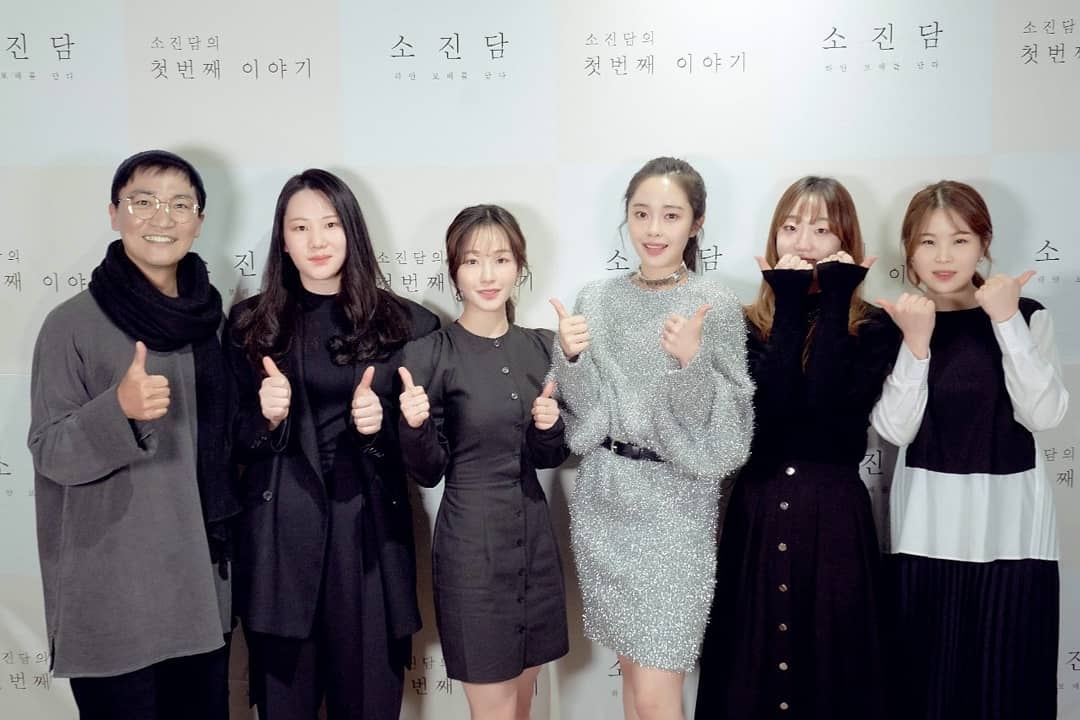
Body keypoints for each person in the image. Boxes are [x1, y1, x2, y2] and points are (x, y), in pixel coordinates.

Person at [27, 149, 237, 719]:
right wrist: (117, 410)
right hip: (114, 594)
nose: (161, 218)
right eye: (143, 201)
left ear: (199, 220)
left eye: (179, 204)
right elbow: (50, 450)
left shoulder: (211, 322)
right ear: (114, 212)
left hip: (199, 588)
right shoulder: (71, 323)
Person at [225, 168, 439, 719]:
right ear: (283, 239)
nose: (316, 241)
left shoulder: (407, 324)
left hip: (368, 540)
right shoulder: (250, 325)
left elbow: (426, 458)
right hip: (279, 542)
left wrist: (379, 431)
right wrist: (267, 419)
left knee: (369, 703)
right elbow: (229, 446)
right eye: (300, 228)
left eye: (330, 224)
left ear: (352, 230)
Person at [551, 157, 754, 720]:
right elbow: (585, 415)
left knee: (658, 694)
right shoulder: (596, 297)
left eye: (671, 215)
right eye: (641, 214)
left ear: (696, 222)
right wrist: (569, 358)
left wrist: (690, 364)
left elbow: (725, 430)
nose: (654, 229)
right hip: (605, 500)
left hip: (676, 507)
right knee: (636, 689)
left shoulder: (715, 304)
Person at [694, 176, 897, 719]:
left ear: (846, 241)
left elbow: (828, 418)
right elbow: (771, 418)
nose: (804, 243)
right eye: (791, 227)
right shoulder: (742, 325)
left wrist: (834, 300)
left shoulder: (874, 327)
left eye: (822, 230)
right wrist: (786, 304)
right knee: (751, 669)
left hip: (834, 516)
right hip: (758, 512)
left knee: (832, 669)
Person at [871, 180, 1067, 720]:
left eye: (959, 240)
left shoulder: (1027, 314)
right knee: (925, 694)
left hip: (1015, 533)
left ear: (983, 243)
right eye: (928, 242)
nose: (943, 257)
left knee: (1011, 693)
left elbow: (1045, 414)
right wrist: (916, 343)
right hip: (926, 530)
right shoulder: (898, 323)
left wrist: (1005, 320)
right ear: (909, 250)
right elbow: (894, 429)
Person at [398, 204, 569, 720]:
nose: (488, 275)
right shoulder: (429, 354)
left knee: (522, 703)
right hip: (471, 549)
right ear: (454, 271)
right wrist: (414, 425)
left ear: (519, 265)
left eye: (501, 259)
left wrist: (549, 426)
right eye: (472, 261)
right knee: (492, 709)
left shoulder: (542, 347)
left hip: (534, 540)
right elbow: (428, 471)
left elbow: (549, 456)